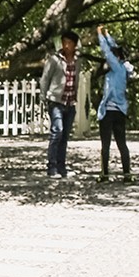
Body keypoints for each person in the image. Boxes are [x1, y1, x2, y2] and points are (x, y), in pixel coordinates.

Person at [94, 25, 136, 183]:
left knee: (105, 144)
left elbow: (107, 51)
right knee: (121, 143)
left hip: (109, 111)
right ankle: (126, 174)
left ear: (116, 58)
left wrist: (99, 35)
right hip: (120, 111)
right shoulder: (123, 69)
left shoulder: (116, 68)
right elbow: (113, 48)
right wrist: (107, 34)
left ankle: (105, 175)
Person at [40, 29, 80, 177]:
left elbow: (76, 79)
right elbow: (45, 79)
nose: (66, 45)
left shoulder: (77, 61)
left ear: (75, 45)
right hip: (56, 101)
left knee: (64, 136)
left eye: (69, 42)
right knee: (57, 132)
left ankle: (62, 167)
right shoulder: (54, 60)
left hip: (70, 102)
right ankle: (52, 167)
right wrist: (44, 98)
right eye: (64, 42)